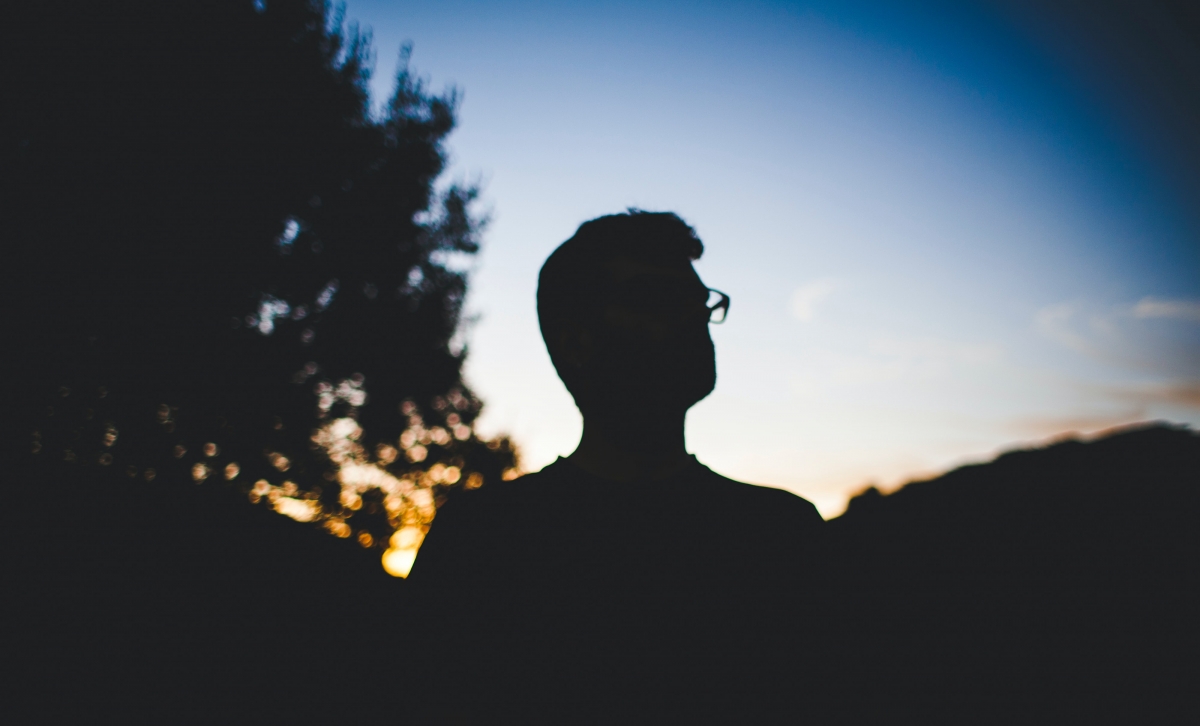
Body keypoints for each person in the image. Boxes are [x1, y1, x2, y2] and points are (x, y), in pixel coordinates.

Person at [402, 211, 826, 720]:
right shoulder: (483, 540)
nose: (691, 315)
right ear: (577, 340)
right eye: (659, 300)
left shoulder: (783, 533)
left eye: (698, 300)